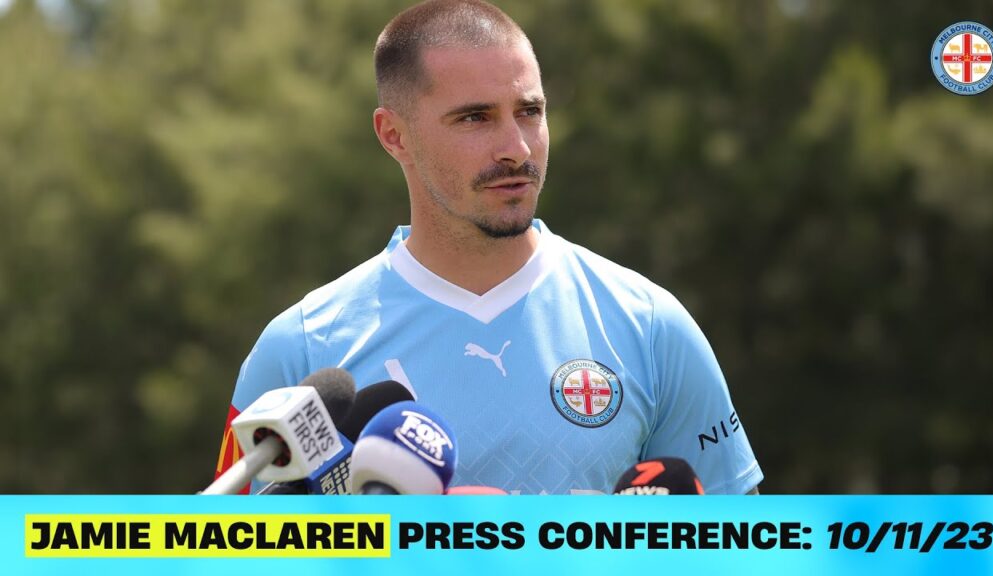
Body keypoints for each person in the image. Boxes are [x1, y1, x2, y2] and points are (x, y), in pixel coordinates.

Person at [214, 0, 763, 495]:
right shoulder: (303, 347)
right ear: (394, 136)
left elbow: (750, 550)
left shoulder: (649, 324)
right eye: (475, 118)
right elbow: (219, 557)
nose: (516, 148)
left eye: (529, 111)